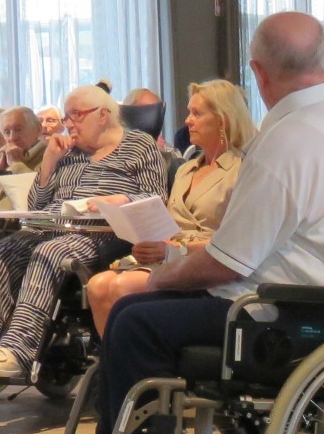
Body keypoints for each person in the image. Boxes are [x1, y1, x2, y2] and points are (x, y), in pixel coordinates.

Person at [64, 11, 324, 434]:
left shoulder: (285, 143)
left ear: (256, 73)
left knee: (136, 317)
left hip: (286, 315)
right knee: (140, 311)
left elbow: (225, 262)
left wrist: (162, 271)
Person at [0, 85, 164, 384]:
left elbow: (155, 198)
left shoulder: (139, 145)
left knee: (50, 253)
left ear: (103, 115)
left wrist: (119, 200)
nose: (68, 123)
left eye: (76, 115)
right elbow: (37, 206)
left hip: (103, 233)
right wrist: (49, 163)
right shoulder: (67, 152)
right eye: (66, 117)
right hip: (51, 227)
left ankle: (17, 350)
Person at [85, 79, 253, 332]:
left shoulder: (241, 171)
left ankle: (124, 360)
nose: (187, 120)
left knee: (121, 287)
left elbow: (235, 242)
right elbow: (170, 224)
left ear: (223, 120)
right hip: (168, 253)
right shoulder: (186, 169)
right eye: (189, 112)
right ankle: (112, 363)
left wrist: (170, 250)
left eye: (196, 113)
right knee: (97, 285)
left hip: (203, 262)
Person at [0, 105, 47, 211]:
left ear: (38, 129)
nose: (12, 137)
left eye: (18, 129)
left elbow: (39, 199)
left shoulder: (49, 156)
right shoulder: (6, 160)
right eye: (7, 132)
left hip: (25, 226)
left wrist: (17, 164)